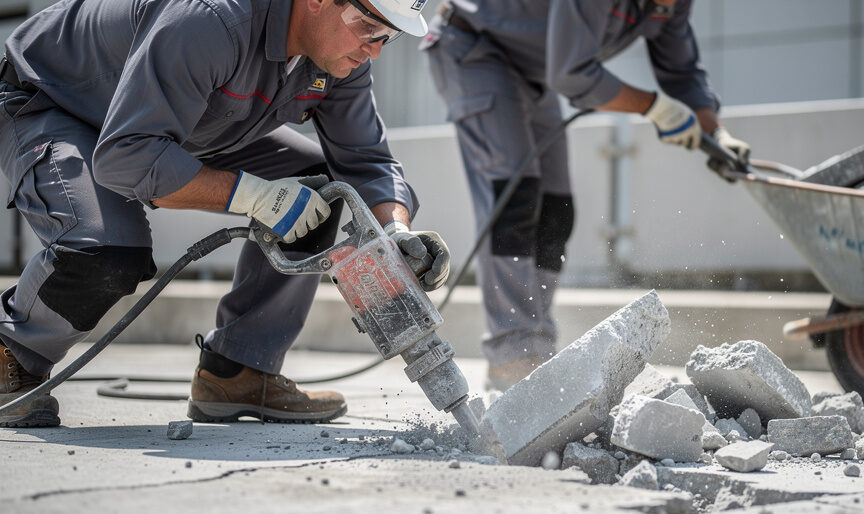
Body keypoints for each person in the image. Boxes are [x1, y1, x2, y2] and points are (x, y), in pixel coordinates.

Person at [0, 0, 450, 428]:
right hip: (55, 103)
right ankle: (14, 353)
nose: (374, 48)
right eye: (369, 27)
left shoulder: (340, 55)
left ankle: (238, 371)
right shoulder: (212, 19)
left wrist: (395, 231)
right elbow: (128, 157)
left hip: (169, 123)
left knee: (321, 187)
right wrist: (255, 196)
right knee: (108, 253)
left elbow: (366, 162)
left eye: (387, 36)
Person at [420, 0, 750, 390]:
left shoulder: (672, 4)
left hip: (533, 69)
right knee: (515, 196)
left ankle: (536, 346)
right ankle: (512, 353)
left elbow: (680, 67)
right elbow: (573, 74)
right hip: (475, 48)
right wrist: (653, 107)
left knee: (557, 207)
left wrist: (716, 133)